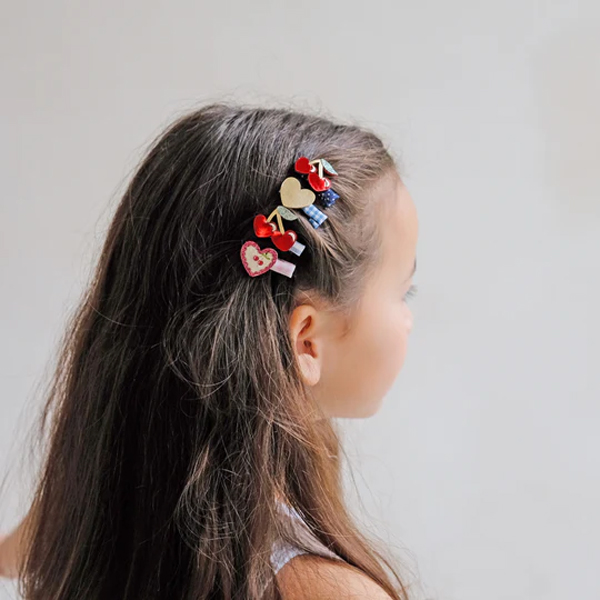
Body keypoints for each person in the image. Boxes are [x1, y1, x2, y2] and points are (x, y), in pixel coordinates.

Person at [0, 102, 419, 599]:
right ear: (306, 340)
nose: (409, 318)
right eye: (404, 291)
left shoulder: (83, 511)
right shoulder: (329, 591)